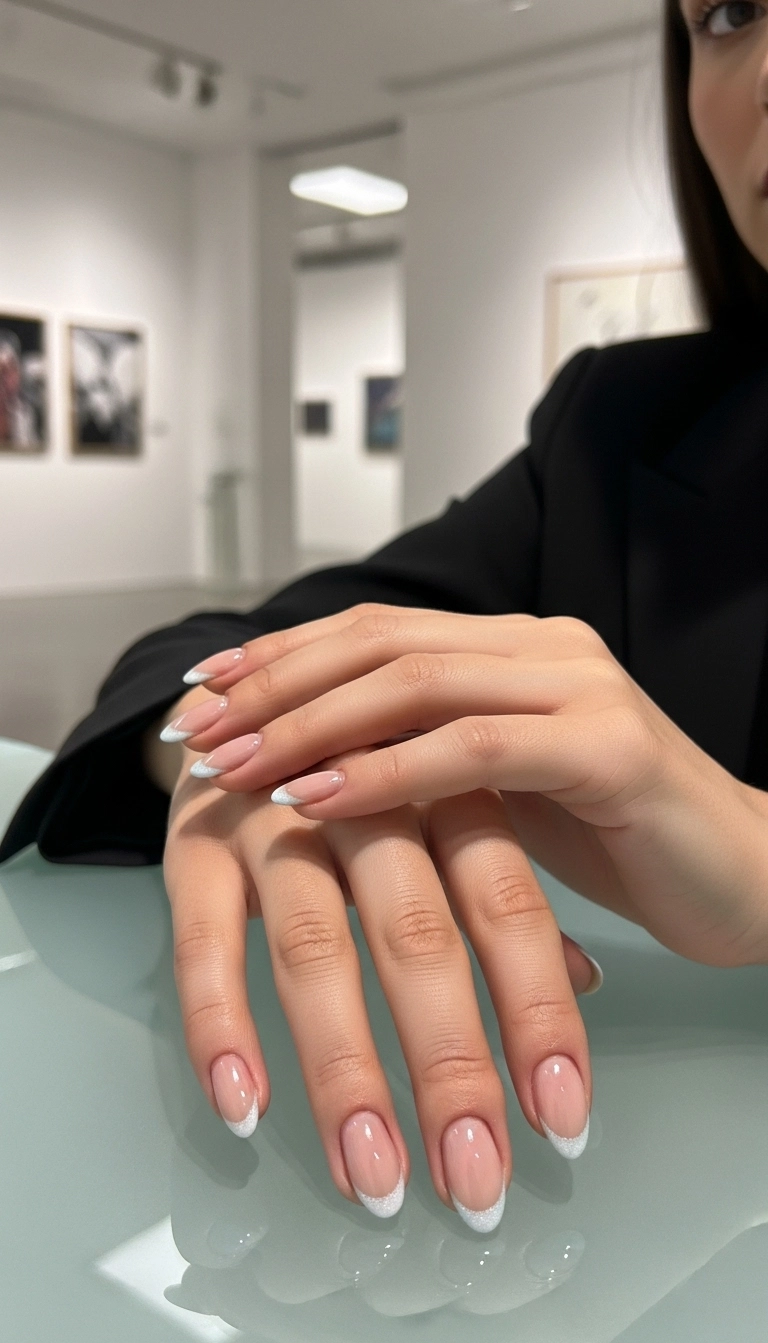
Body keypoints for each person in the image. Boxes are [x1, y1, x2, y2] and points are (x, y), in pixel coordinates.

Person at [3, 0, 768, 1233]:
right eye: (728, 13)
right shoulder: (618, 425)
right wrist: (256, 752)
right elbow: (218, 645)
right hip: (646, 1207)